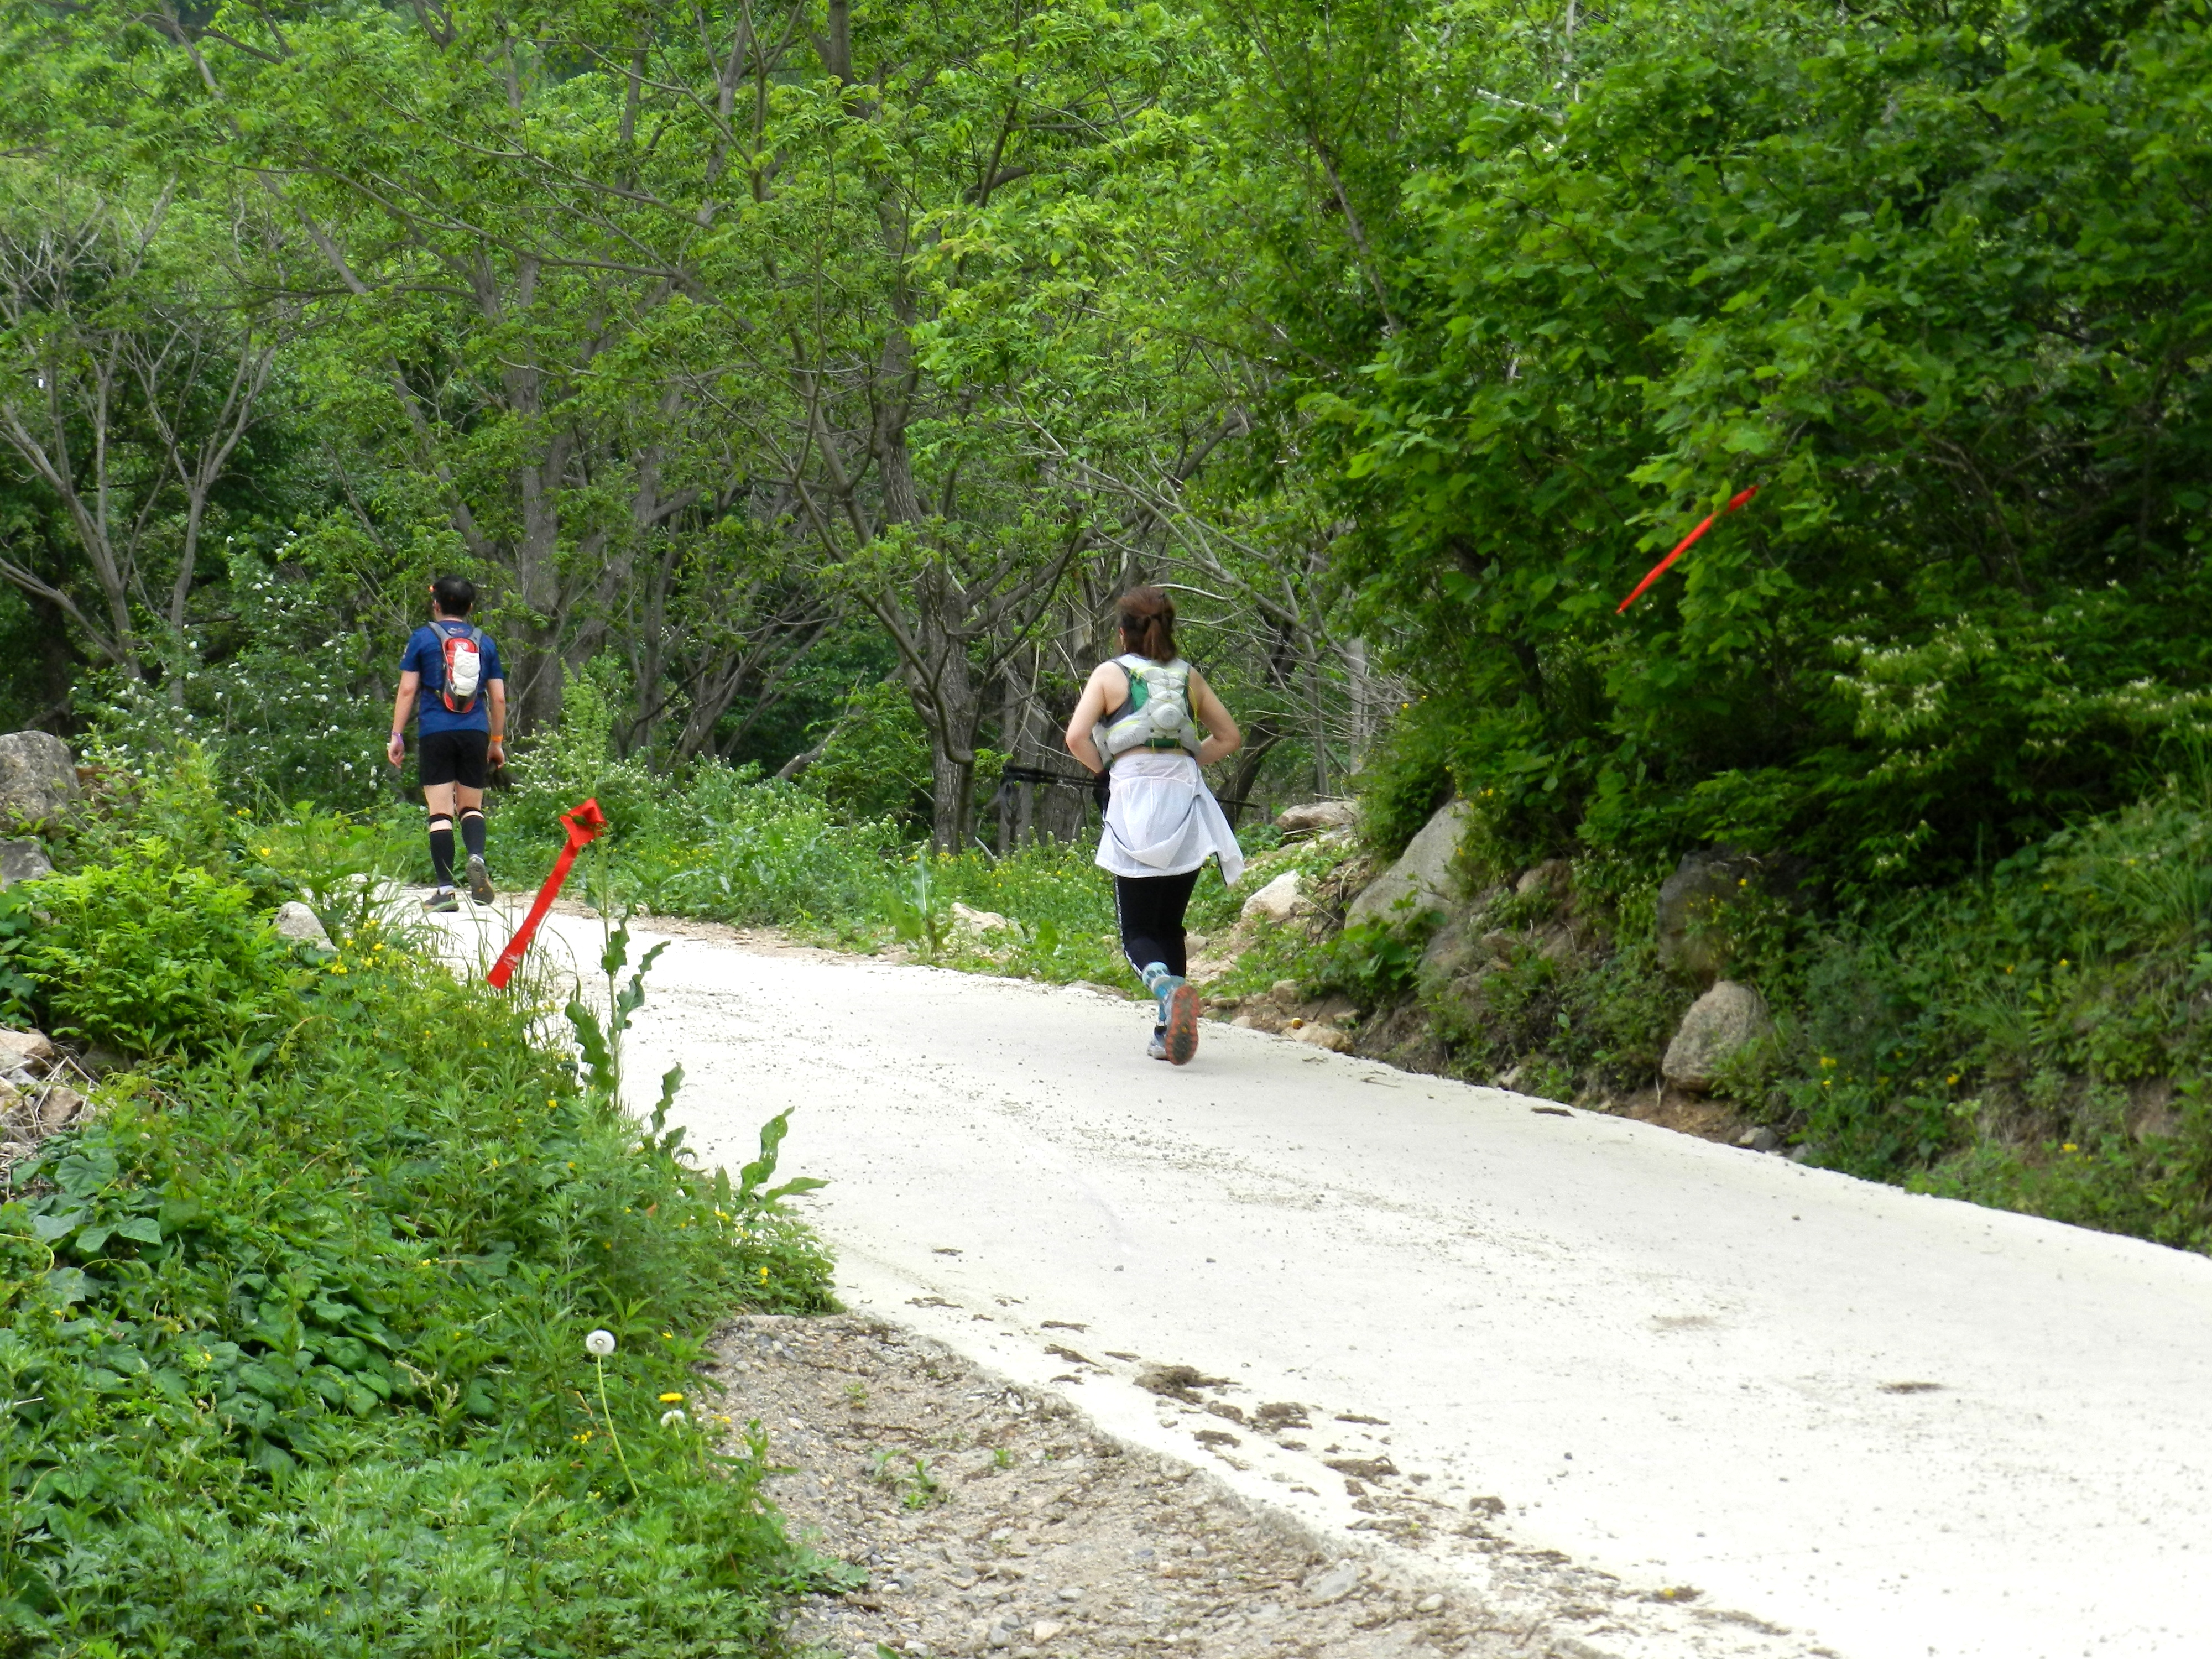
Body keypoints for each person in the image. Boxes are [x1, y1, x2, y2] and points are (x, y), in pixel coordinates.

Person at [1065, 586, 1244, 1065]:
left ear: (1122, 632)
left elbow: (1076, 737)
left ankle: (1167, 990)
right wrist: (1187, 763)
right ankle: (1168, 1033)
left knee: (1137, 931)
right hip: (1186, 802)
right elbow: (1229, 737)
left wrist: (1104, 771)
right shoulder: (1190, 678)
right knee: (1170, 924)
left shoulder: (1109, 674)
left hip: (1134, 803)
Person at [387, 575, 508, 913]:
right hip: (474, 731)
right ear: (470, 608)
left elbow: (408, 690)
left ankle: (445, 891)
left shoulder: (423, 638)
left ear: (436, 604)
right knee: (471, 807)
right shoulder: (486, 643)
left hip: (435, 732)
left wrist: (397, 736)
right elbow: (498, 699)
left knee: (440, 812)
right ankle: (476, 857)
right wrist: (496, 742)